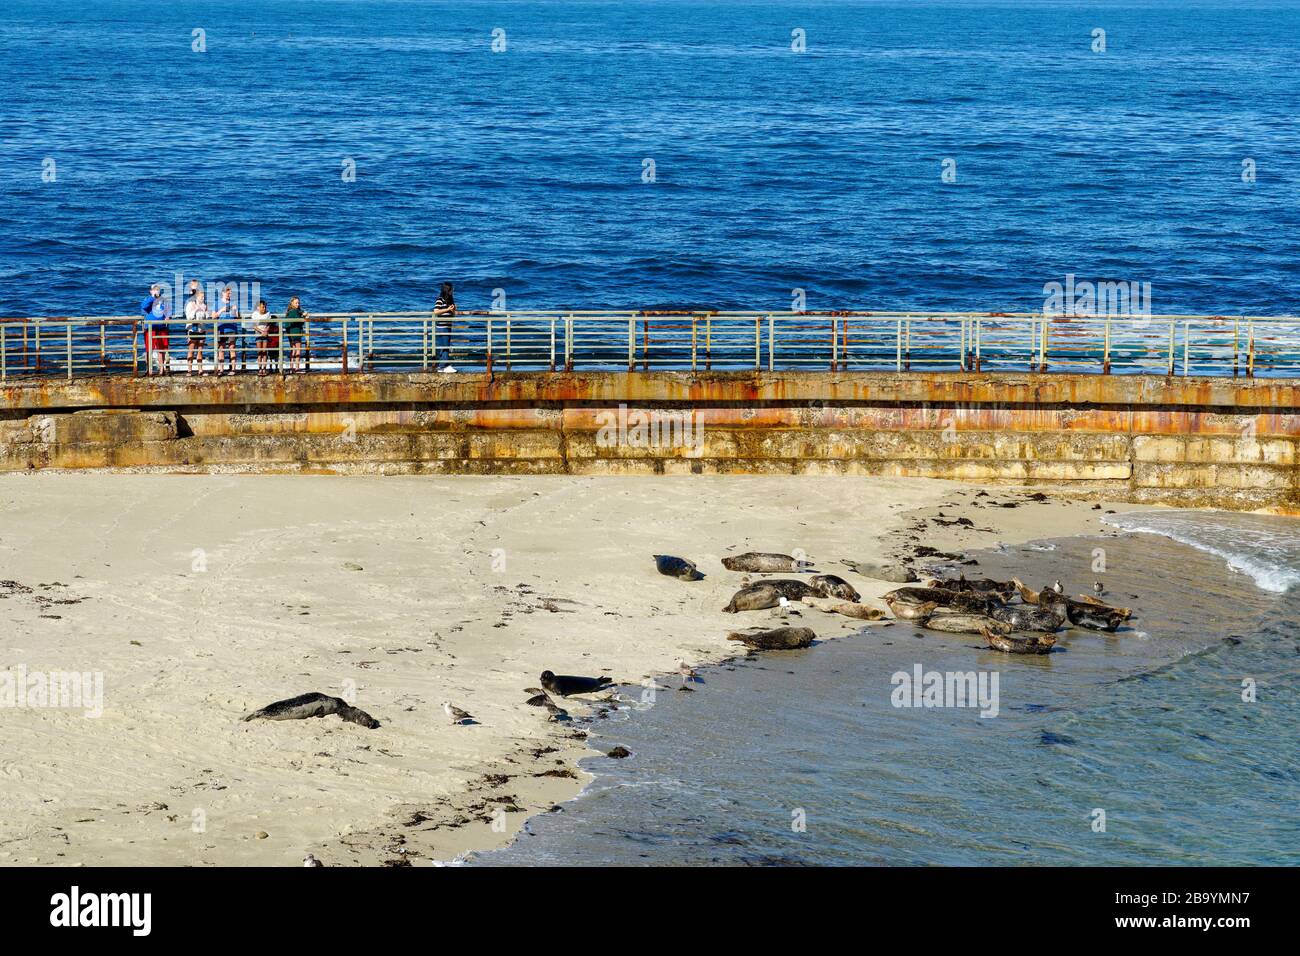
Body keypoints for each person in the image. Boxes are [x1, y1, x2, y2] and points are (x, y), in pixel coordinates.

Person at [142, 284, 172, 375]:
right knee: (149, 349)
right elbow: (144, 307)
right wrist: (152, 297)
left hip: (161, 327)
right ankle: (149, 370)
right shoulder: (147, 299)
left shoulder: (164, 300)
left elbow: (169, 311)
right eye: (154, 289)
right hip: (150, 328)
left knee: (161, 349)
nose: (156, 291)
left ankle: (161, 370)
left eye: (158, 289)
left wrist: (168, 317)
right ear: (151, 291)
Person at [212, 286, 241, 375]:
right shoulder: (217, 303)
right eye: (228, 293)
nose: (230, 295)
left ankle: (233, 369)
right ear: (223, 293)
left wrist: (236, 311)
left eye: (230, 293)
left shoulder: (233, 303)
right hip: (221, 328)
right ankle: (221, 369)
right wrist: (221, 310)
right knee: (221, 349)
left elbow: (238, 317)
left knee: (232, 348)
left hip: (232, 328)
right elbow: (213, 316)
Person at [184, 286, 209, 375]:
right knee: (191, 350)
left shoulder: (205, 305)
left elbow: (207, 317)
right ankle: (189, 370)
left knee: (200, 350)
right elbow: (188, 317)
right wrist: (195, 310)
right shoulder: (191, 304)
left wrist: (205, 313)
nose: (203, 298)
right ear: (196, 296)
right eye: (201, 297)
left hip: (201, 329)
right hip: (192, 330)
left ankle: (200, 370)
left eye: (203, 297)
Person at [433, 281, 456, 372]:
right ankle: (444, 366)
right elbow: (436, 311)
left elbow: (453, 315)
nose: (453, 291)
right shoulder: (440, 299)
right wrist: (447, 309)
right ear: (447, 289)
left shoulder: (450, 300)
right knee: (445, 346)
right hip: (442, 327)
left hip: (448, 326)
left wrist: (453, 310)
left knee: (445, 346)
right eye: (451, 289)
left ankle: (442, 366)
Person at [283, 296, 307, 373]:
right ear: (292, 303)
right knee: (298, 350)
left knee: (293, 350)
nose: (298, 304)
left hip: (290, 333)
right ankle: (297, 368)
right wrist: (304, 316)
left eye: (298, 303)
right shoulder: (294, 311)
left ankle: (291, 367)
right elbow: (300, 321)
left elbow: (287, 324)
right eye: (296, 303)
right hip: (296, 332)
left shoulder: (289, 311)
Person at [252, 300, 275, 376]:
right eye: (262, 307)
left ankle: (264, 368)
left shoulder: (268, 314)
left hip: (265, 334)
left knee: (265, 351)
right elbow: (254, 326)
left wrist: (266, 331)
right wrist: (261, 331)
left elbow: (268, 324)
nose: (264, 308)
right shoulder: (255, 314)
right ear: (258, 307)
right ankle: (259, 368)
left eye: (265, 307)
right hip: (258, 334)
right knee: (259, 352)